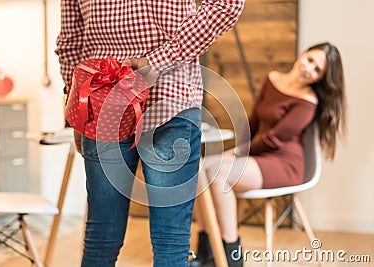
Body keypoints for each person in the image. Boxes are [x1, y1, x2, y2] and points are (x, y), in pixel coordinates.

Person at [55, 1, 245, 266]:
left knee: (102, 232)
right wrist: (162, 60)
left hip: (103, 103)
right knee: (171, 237)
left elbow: (70, 43)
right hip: (168, 97)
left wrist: (76, 107)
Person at [190, 42, 346, 267]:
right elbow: (252, 123)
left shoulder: (308, 101)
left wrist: (237, 153)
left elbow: (276, 138)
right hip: (258, 156)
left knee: (219, 173)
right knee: (201, 167)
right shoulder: (272, 79)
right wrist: (238, 150)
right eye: (311, 60)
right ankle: (207, 252)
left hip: (285, 164)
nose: (309, 69)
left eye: (317, 70)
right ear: (302, 53)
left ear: (320, 78)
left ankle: (232, 255)